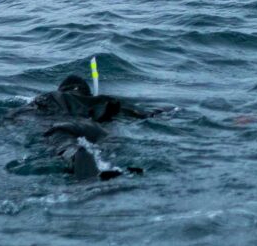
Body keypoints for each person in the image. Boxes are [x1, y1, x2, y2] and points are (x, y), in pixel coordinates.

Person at [13, 73, 159, 181]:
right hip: (95, 128)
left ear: (62, 90)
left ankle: (78, 155)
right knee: (105, 149)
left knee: (68, 146)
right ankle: (109, 167)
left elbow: (19, 115)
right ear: (86, 93)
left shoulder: (49, 97)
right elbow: (144, 113)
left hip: (63, 127)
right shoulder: (101, 100)